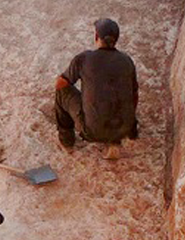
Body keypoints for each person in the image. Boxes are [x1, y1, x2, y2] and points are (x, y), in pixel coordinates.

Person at [55, 18, 139, 160]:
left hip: (92, 132)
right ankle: (114, 141)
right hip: (125, 129)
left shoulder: (84, 58)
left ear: (96, 37)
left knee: (62, 92)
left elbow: (60, 84)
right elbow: (134, 95)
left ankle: (67, 142)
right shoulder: (127, 60)